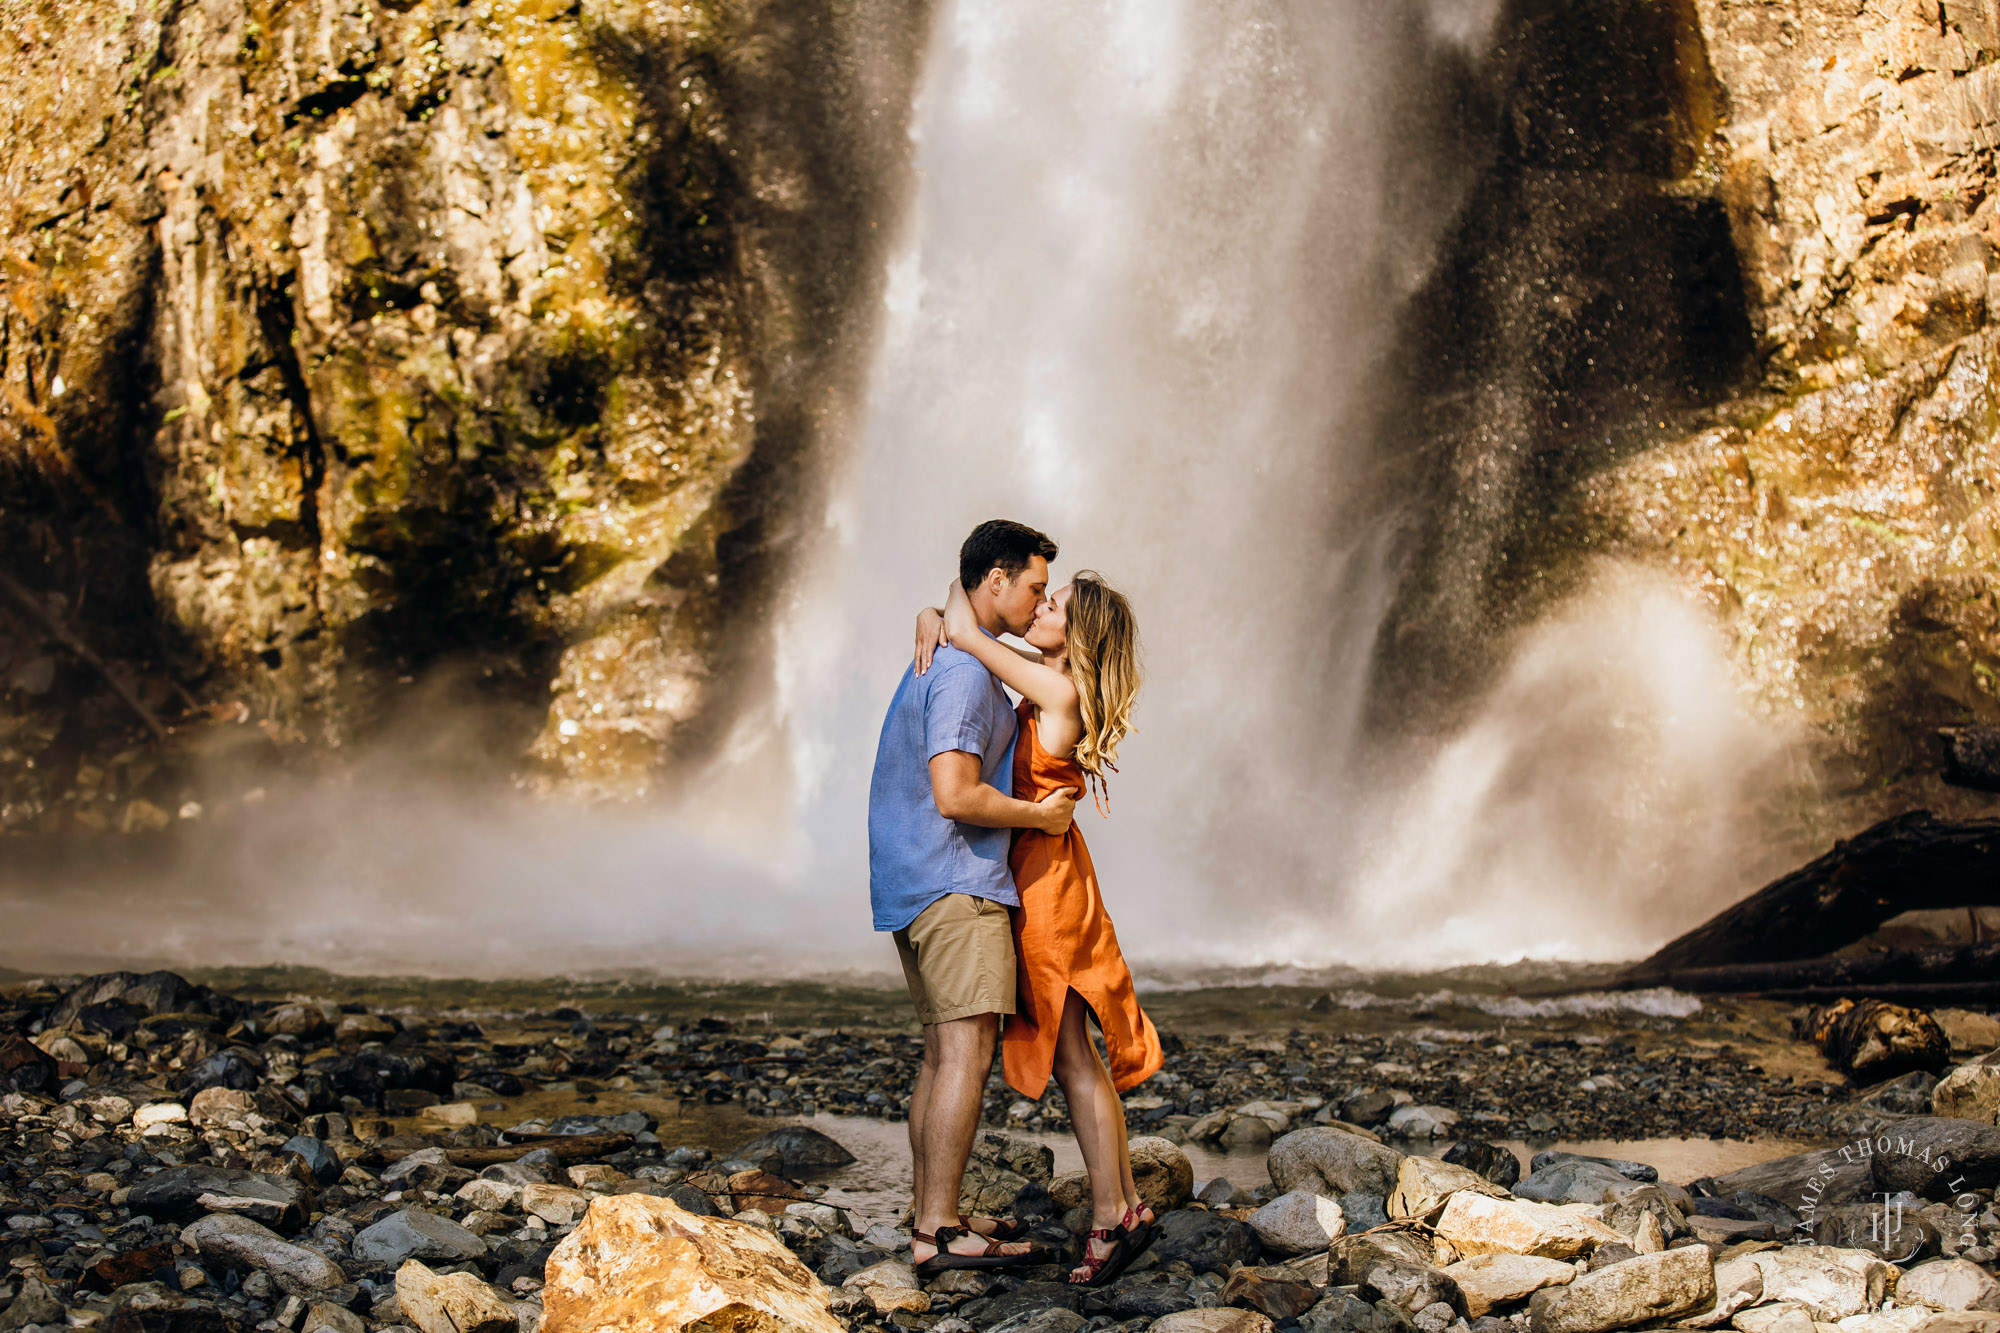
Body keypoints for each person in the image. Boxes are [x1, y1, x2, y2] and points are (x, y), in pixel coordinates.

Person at [914, 567, 1164, 1286]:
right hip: (1051, 875)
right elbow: (960, 620)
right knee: (1077, 1054)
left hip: (1049, 889)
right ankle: (1126, 1209)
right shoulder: (1051, 686)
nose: (1040, 606)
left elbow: (966, 625)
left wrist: (939, 615)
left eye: (1053, 603)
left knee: (1074, 1059)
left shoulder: (1057, 690)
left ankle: (1114, 1213)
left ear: (1077, 633)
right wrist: (927, 611)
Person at [867, 519, 1079, 1276]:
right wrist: (1040, 815)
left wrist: (937, 610)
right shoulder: (961, 673)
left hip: (913, 880)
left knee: (937, 1056)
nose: (1040, 598)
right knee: (964, 1053)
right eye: (1033, 585)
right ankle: (937, 1229)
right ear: (995, 580)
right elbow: (955, 793)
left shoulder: (953, 652)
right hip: (954, 882)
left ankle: (935, 1209)